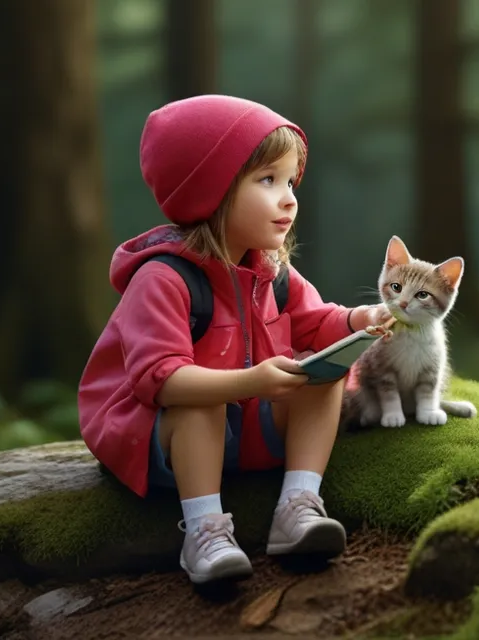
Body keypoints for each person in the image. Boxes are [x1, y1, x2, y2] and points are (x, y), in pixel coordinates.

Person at [77, 95, 392, 585]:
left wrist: (359, 319)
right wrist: (249, 380)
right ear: (212, 190)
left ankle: (298, 505)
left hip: (245, 428)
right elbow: (159, 380)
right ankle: (203, 531)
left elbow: (316, 323)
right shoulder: (163, 279)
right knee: (200, 400)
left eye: (290, 181)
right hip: (160, 436)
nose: (289, 197)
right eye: (267, 181)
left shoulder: (272, 272)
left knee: (323, 371)